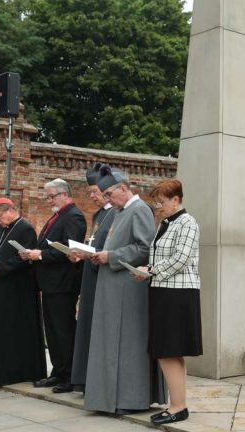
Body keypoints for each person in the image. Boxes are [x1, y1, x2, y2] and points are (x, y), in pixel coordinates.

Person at [83, 164, 166, 414]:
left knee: (128, 344)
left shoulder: (139, 209)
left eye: (109, 194)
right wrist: (99, 255)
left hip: (128, 289)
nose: (107, 200)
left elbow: (144, 248)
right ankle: (109, 399)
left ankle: (130, 400)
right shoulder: (120, 212)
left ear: (123, 188)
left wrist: (110, 256)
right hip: (111, 287)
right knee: (109, 344)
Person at [135, 179, 202, 425]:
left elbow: (181, 258)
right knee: (170, 352)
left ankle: (177, 407)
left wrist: (151, 270)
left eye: (161, 202)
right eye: (155, 203)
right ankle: (178, 406)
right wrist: (146, 272)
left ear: (176, 199)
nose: (158, 207)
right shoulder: (166, 223)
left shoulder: (187, 222)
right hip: (164, 291)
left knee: (168, 351)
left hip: (178, 293)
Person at [20, 179, 87, 393]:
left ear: (64, 194)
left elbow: (70, 250)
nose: (49, 201)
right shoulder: (58, 215)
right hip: (50, 283)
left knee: (63, 330)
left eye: (51, 196)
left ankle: (70, 376)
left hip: (63, 283)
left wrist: (40, 255)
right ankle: (58, 371)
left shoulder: (74, 216)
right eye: (47, 197)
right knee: (52, 330)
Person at [0, 197, 46, 386]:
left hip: (18, 288)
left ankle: (13, 372)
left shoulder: (25, 229)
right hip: (2, 284)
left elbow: (23, 259)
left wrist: (0, 268)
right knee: (0, 327)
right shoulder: (4, 228)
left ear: (10, 210)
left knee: (12, 329)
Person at [70, 163, 118, 392]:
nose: (91, 196)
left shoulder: (117, 213)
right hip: (90, 274)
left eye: (94, 192)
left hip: (104, 276)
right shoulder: (98, 214)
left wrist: (91, 253)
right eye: (89, 192)